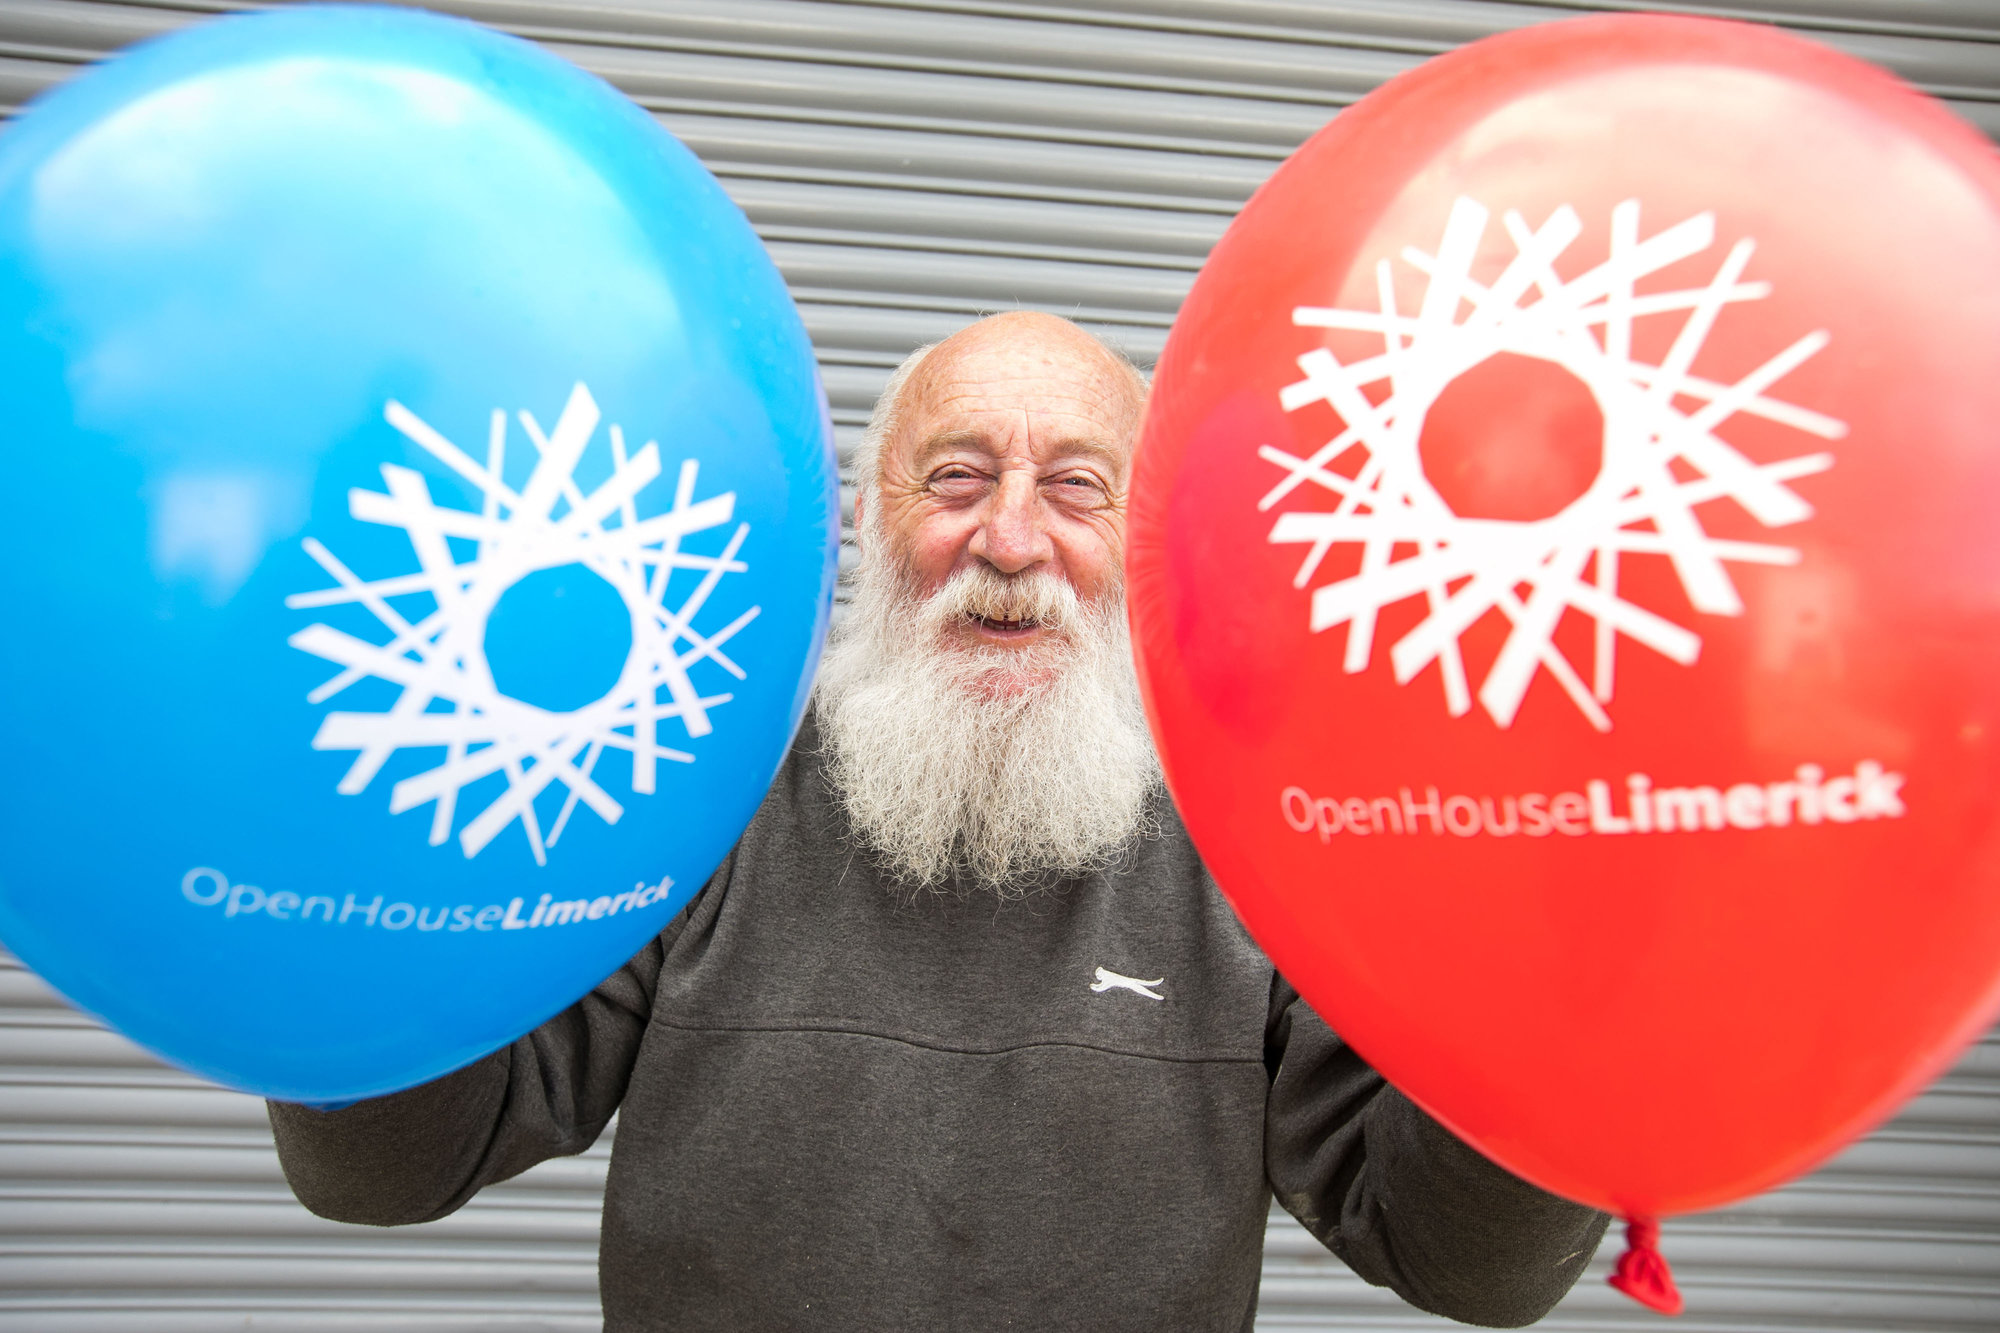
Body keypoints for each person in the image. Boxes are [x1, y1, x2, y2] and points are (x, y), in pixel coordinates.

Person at [268, 312, 1609, 1332]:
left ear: (1141, 544)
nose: (1012, 540)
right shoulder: (703, 798)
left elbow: (1463, 1266)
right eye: (958, 477)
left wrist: (1557, 1007)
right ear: (869, 516)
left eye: (1077, 488)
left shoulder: (1252, 852)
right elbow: (392, 1166)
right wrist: (346, 854)